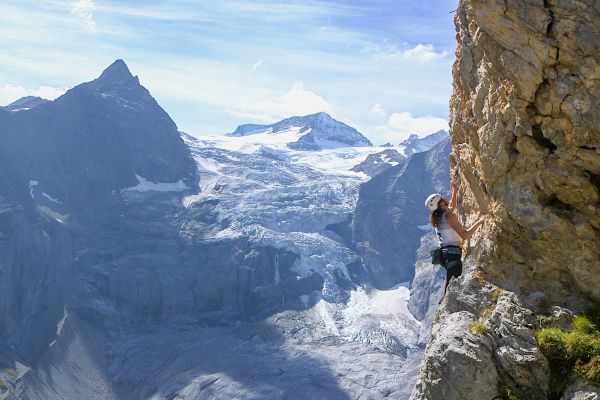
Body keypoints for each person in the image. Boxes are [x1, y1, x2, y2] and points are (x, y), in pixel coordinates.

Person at [425, 180, 485, 296]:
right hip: (452, 254)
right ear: (441, 204)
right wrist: (480, 221)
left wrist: (455, 191)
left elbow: (451, 207)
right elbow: (465, 235)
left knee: (452, 284)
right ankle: (445, 306)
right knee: (452, 288)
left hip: (445, 255)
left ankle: (445, 305)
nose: (445, 199)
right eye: (443, 199)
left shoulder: (438, 217)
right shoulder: (448, 216)